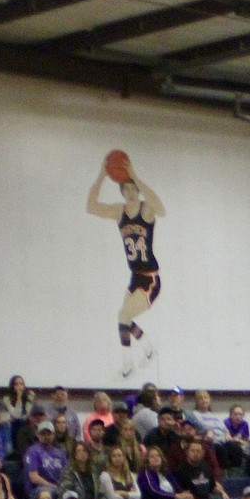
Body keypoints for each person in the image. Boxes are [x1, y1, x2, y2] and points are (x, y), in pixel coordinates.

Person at [86, 154, 165, 372]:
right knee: (124, 317)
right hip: (134, 276)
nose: (130, 193)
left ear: (137, 190)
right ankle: (148, 349)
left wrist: (136, 177)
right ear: (121, 191)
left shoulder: (146, 210)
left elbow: (161, 209)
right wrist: (102, 175)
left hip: (150, 278)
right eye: (126, 189)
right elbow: (91, 207)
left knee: (123, 316)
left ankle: (127, 363)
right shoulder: (119, 211)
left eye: (133, 189)